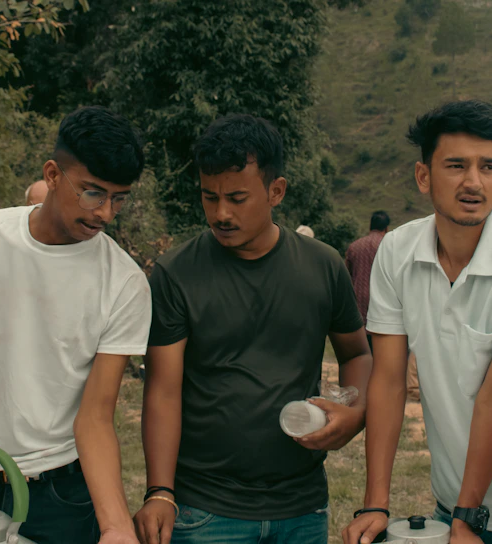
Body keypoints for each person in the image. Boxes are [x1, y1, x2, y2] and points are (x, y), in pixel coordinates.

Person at [134, 114, 371, 544]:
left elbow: (356, 353)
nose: (221, 213)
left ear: (275, 190)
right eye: (210, 197)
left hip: (303, 507)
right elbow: (163, 390)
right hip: (205, 509)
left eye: (238, 198)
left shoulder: (323, 266)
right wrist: (160, 492)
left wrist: (354, 414)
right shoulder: (175, 274)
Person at [343, 100, 492, 544]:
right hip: (452, 506)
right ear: (423, 176)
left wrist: (468, 518)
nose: (473, 182)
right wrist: (375, 503)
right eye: (456, 165)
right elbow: (389, 379)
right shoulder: (396, 252)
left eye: (488, 167)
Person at [0, 106, 150, 544]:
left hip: (63, 493)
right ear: (53, 174)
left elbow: (96, 417)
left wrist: (117, 527)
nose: (105, 213)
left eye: (118, 199)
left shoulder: (124, 282)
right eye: (92, 192)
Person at [345, 210, 389, 351]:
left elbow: (347, 277)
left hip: (357, 308)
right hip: (382, 309)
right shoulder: (388, 247)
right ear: (386, 228)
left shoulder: (354, 246)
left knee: (360, 354)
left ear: (370, 226)